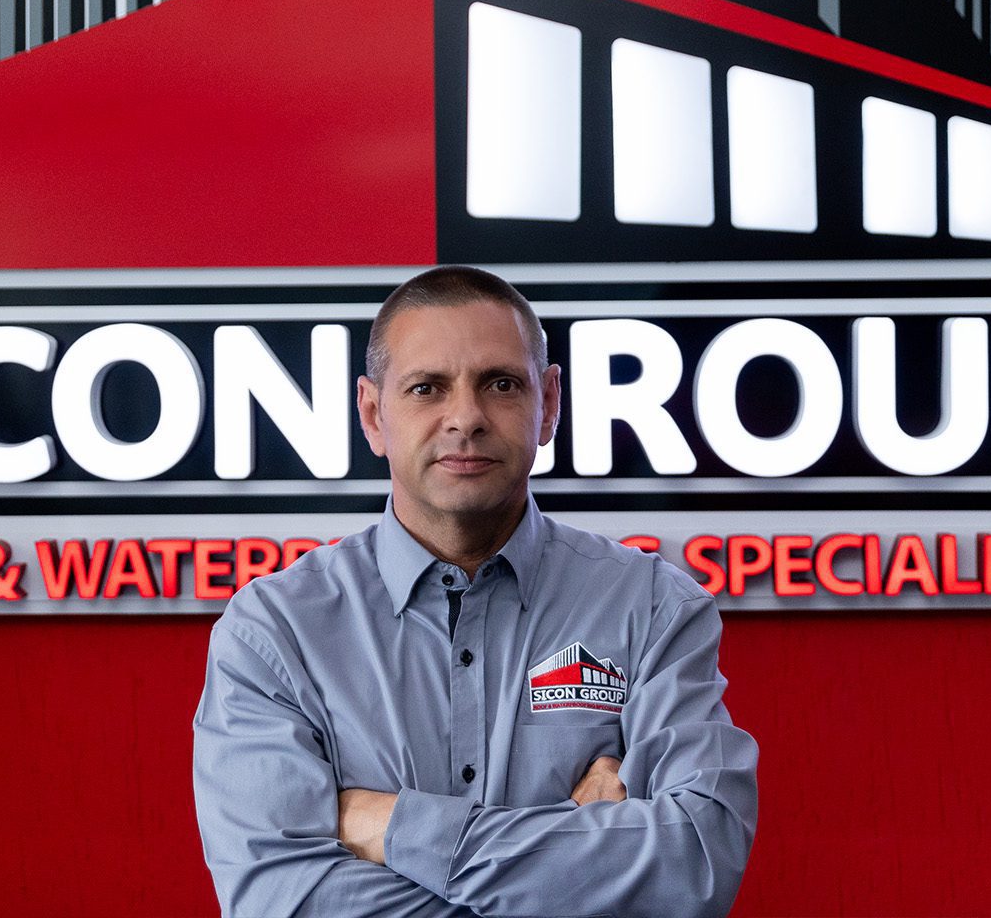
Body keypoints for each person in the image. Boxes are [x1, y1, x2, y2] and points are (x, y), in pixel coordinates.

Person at [192, 266, 758, 916]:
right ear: (374, 415)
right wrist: (580, 864)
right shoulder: (275, 634)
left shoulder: (655, 608)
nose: (466, 417)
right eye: (427, 388)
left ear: (549, 404)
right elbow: (281, 901)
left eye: (500, 384)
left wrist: (390, 825)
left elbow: (694, 863)